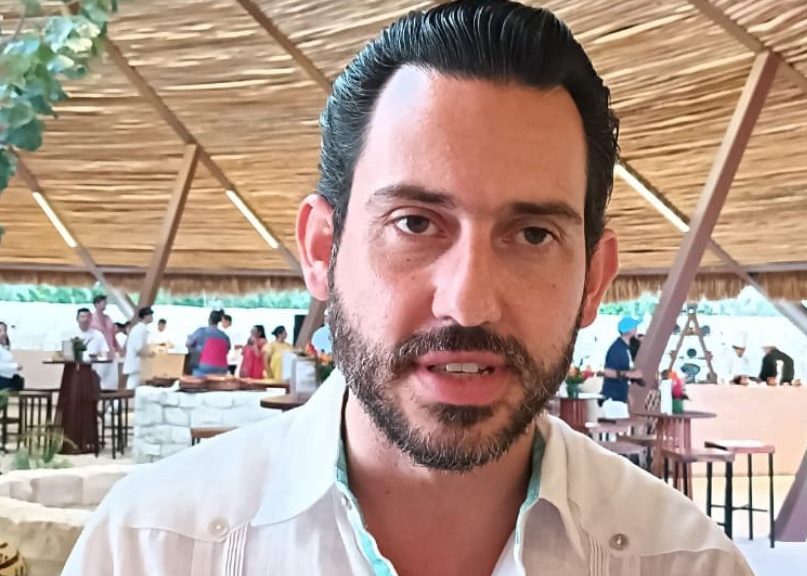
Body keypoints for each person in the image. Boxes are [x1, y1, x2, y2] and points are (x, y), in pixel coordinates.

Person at [63, 3, 752, 574]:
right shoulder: (152, 549)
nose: (468, 301)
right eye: (415, 223)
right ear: (322, 251)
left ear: (594, 279)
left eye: (533, 234)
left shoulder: (684, 563)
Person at [600, 316, 644, 418]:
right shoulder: (616, 349)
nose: (636, 330)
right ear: (629, 330)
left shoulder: (625, 348)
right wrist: (631, 374)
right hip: (613, 399)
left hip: (619, 399)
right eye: (635, 327)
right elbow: (607, 372)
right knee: (622, 426)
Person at [186, 310, 231, 376]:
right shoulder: (225, 336)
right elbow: (227, 350)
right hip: (222, 369)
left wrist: (197, 347)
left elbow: (188, 343)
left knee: (192, 364)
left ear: (209, 320)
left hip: (203, 368)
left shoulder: (201, 331)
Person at [123, 307, 155, 390]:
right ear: (145, 316)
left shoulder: (140, 328)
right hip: (136, 362)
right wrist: (150, 354)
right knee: (133, 386)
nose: (152, 317)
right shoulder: (140, 329)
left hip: (137, 361)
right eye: (150, 315)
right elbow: (139, 348)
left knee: (136, 385)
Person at [89, 295, 120, 359]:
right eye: (104, 303)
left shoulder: (108, 318)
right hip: (98, 350)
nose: (106, 304)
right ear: (96, 304)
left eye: (106, 303)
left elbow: (113, 335)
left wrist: (118, 348)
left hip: (110, 349)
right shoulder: (90, 319)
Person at [0, 321, 24, 392]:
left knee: (19, 380)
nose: (3, 333)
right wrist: (15, 366)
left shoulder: (4, 348)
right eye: (0, 331)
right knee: (18, 381)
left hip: (6, 378)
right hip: (2, 379)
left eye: (5, 330)